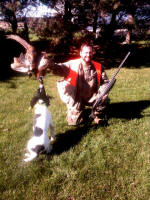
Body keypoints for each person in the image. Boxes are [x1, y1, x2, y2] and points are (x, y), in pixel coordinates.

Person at [49, 43, 109, 125]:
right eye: (85, 52)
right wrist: (49, 64)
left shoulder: (98, 67)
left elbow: (105, 82)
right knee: (75, 122)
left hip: (92, 96)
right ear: (81, 53)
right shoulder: (72, 64)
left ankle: (96, 115)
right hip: (76, 98)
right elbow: (58, 69)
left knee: (104, 97)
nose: (88, 55)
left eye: (90, 52)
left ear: (92, 53)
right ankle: (76, 111)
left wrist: (102, 92)